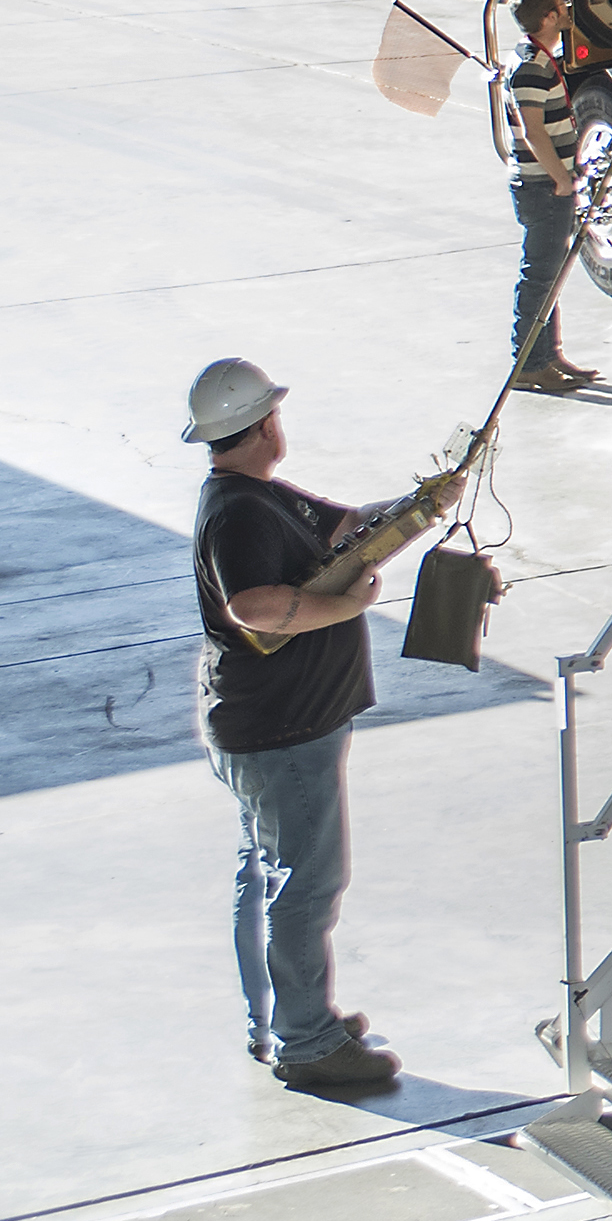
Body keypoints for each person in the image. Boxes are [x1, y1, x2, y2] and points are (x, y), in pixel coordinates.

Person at [187, 359, 457, 1096]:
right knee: (306, 882)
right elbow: (256, 607)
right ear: (263, 423)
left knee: (268, 875)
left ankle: (280, 1019)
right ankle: (307, 1042)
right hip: (282, 730)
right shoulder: (239, 511)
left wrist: (417, 506)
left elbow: (342, 528)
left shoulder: (256, 496)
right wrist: (351, 606)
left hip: (266, 725)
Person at [492, 0, 592, 395]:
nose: (567, 9)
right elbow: (534, 132)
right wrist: (562, 179)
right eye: (561, 6)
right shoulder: (532, 65)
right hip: (543, 188)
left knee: (550, 275)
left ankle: (549, 354)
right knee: (540, 277)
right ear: (549, 18)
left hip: (549, 185)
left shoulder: (535, 58)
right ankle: (529, 363)